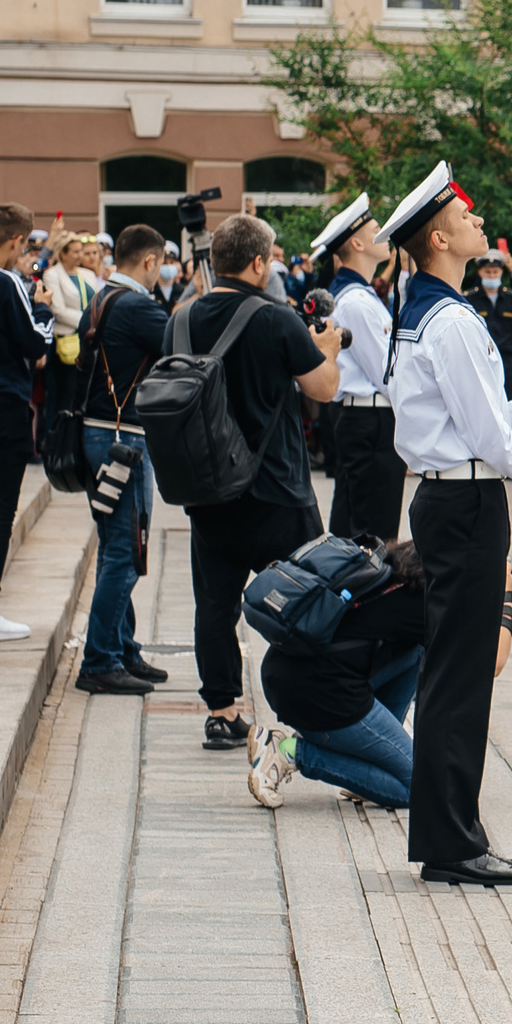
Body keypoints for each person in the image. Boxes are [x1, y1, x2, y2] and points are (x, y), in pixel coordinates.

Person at [383, 161, 512, 888]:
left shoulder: (427, 311)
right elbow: (492, 444)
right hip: (466, 505)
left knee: (453, 676)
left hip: (451, 498)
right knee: (460, 680)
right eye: (464, 216)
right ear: (439, 235)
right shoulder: (454, 320)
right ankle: (453, 841)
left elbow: (482, 425)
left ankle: (449, 834)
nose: (478, 224)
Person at [179, 215, 344, 746]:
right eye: (271, 257)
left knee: (215, 604)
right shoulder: (276, 318)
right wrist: (330, 349)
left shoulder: (180, 320)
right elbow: (321, 388)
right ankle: (306, 711)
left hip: (208, 489)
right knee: (305, 599)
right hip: (277, 489)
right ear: (257, 262)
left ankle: (222, 712)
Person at [249, 539, 473, 812]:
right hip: (317, 696)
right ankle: (290, 752)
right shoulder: (422, 606)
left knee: (416, 650)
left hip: (283, 676)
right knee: (418, 787)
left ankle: (373, 764)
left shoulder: (383, 569)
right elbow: (489, 662)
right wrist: (504, 598)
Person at [73, 223, 172, 693]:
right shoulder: (135, 305)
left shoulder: (100, 298)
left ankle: (122, 648)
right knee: (124, 552)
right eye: (160, 264)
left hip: (98, 435)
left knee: (117, 545)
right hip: (123, 440)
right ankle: (99, 661)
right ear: (149, 261)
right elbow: (182, 344)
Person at [312, 194, 408, 542]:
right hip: (371, 422)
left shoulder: (358, 296)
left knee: (360, 525)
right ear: (356, 243)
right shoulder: (356, 301)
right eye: (375, 229)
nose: (383, 234)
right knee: (372, 535)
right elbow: (388, 374)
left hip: (367, 421)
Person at [0, 203, 52, 643]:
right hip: (2, 400)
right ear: (14, 241)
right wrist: (42, 308)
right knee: (0, 507)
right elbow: (34, 342)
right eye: (23, 245)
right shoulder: (5, 282)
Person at [468, 249, 512, 395]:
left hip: (508, 361)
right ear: (480, 272)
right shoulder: (470, 299)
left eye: (495, 272)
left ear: (501, 272)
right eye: (488, 272)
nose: (492, 275)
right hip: (481, 360)